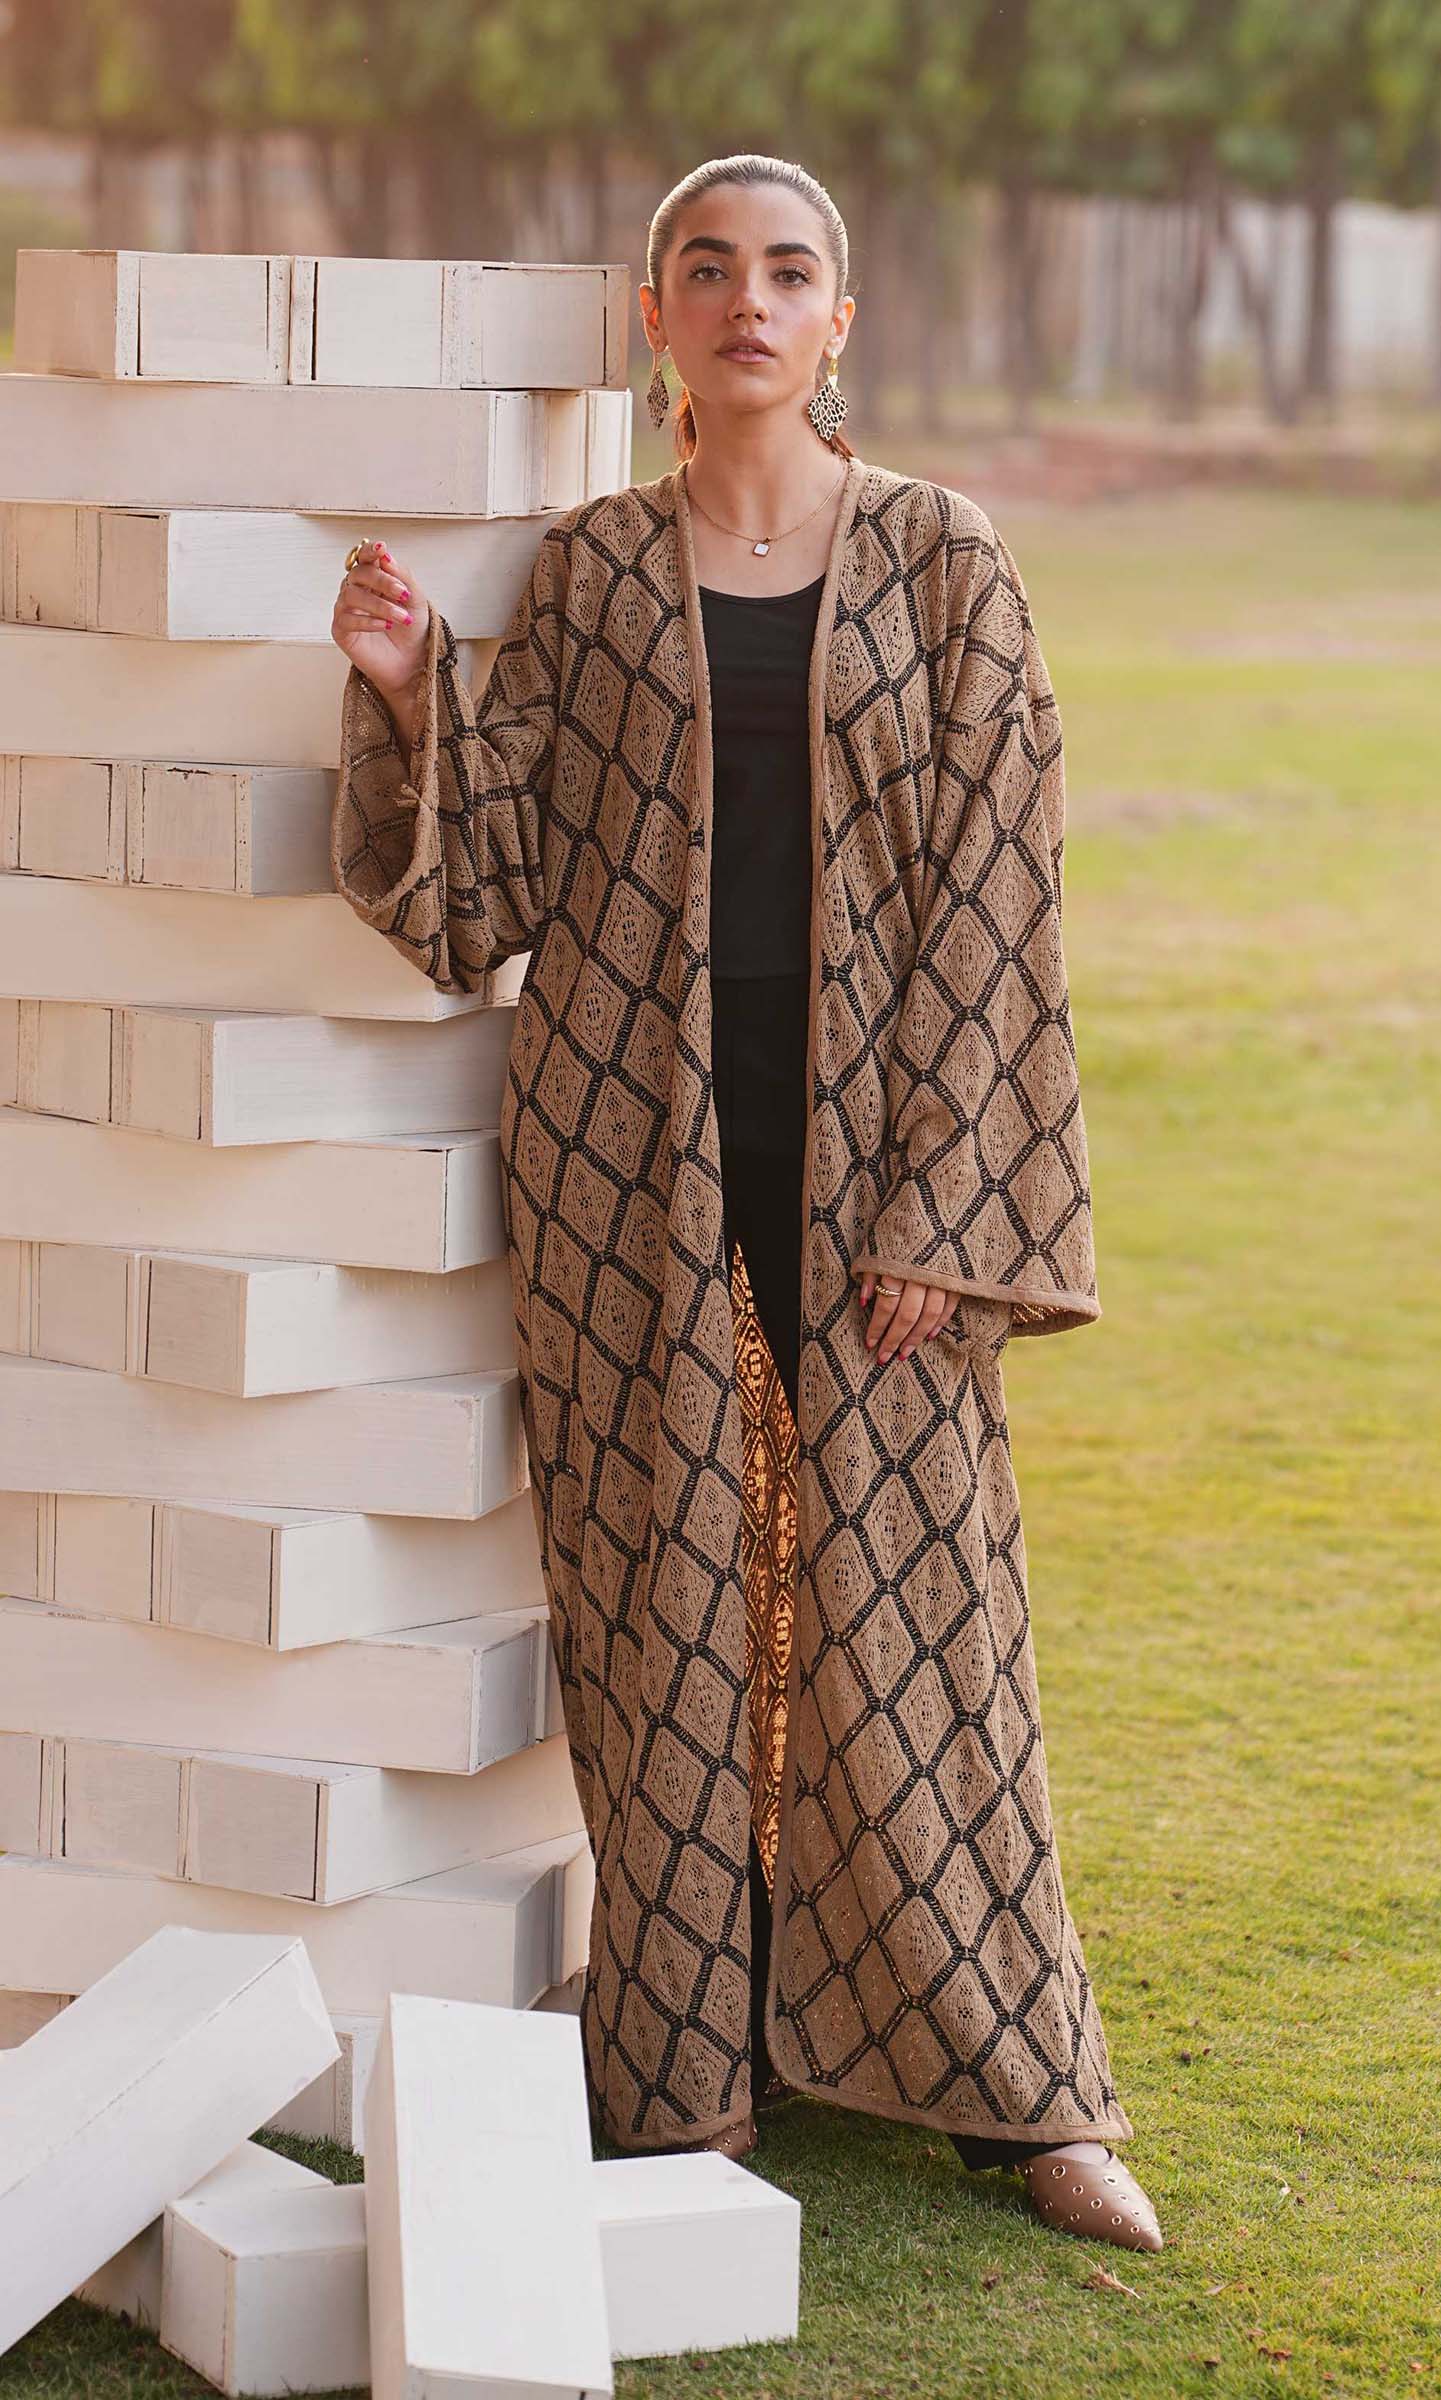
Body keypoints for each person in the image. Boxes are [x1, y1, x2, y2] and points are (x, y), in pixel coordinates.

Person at [329, 151, 1162, 2254]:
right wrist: (418, 689)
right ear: (655, 319)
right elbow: (499, 881)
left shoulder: (945, 562)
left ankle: (1016, 2094)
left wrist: (946, 1204)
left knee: (925, 1620)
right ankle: (689, 2072)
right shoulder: (595, 570)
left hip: (882, 1163)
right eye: (705, 271)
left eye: (787, 272)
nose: (747, 303)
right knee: (664, 1613)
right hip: (632, 1169)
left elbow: (1000, 896)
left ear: (840, 320)